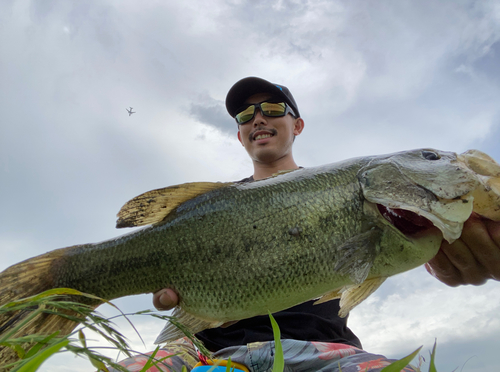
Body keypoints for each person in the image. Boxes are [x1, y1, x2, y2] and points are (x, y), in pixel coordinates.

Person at [112, 77, 500, 372]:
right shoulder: (206, 208)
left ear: (297, 125)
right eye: (246, 116)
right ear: (240, 135)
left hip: (320, 347)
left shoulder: (360, 191)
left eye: (273, 108)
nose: (258, 118)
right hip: (203, 346)